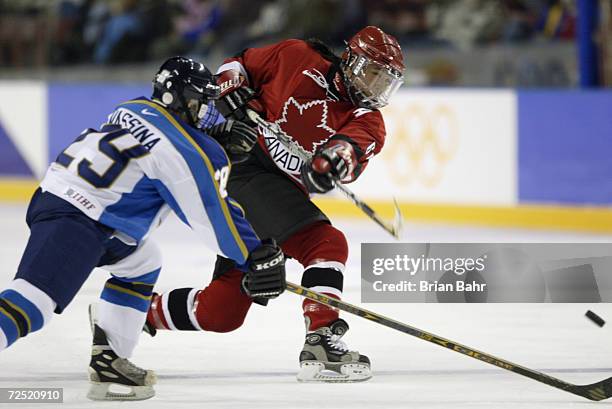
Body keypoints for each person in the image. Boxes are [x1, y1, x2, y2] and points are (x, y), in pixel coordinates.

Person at [0, 56, 286, 400]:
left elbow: (162, 148)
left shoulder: (132, 107)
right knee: (34, 304)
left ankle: (110, 357)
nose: (207, 113)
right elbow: (210, 214)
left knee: (143, 260)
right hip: (80, 218)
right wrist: (253, 255)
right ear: (179, 100)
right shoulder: (186, 151)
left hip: (74, 206)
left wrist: (210, 144)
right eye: (201, 103)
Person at [144, 26, 405, 382]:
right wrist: (230, 88)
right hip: (240, 166)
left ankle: (134, 311)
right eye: (373, 74)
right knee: (325, 244)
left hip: (272, 193)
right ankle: (322, 340)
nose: (377, 88)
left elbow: (351, 149)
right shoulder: (296, 56)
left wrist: (332, 163)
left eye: (386, 82)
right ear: (351, 62)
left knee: (221, 314)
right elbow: (235, 66)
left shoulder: (368, 119)